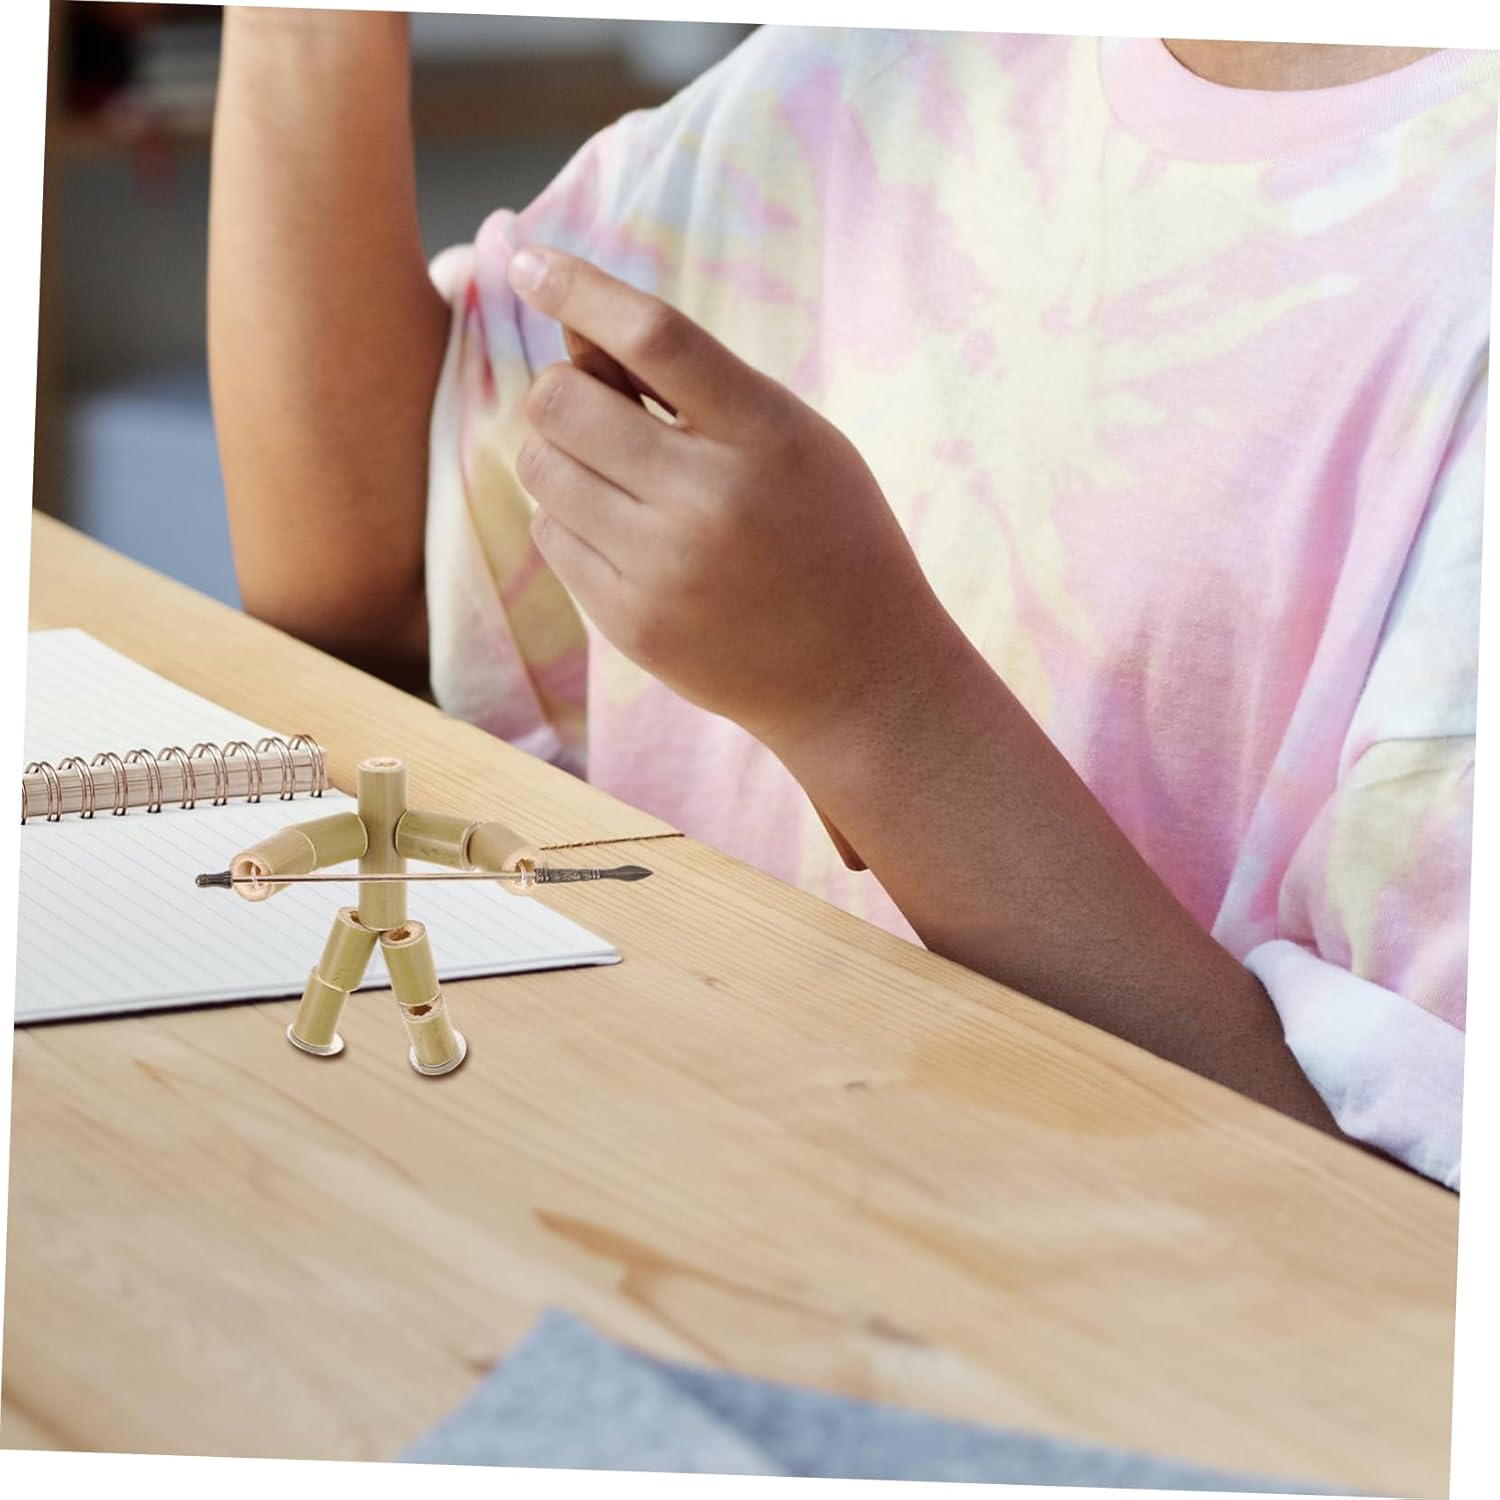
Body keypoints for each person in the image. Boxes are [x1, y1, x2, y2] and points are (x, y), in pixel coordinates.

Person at [208, 13, 1495, 1190]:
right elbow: (370, 570)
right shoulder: (894, 59)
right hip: (688, 1205)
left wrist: (874, 706)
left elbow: (1394, 1229)